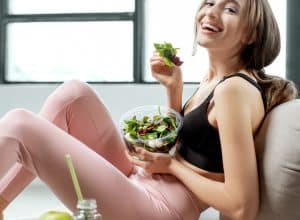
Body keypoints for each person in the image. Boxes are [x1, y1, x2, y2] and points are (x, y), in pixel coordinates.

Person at [0, 0, 298, 219]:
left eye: (230, 9)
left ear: (252, 34)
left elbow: (241, 205)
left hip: (160, 208)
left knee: (19, 124)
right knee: (73, 95)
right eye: (209, 2)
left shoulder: (234, 90)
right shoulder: (213, 81)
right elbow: (192, 148)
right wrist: (174, 89)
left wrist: (171, 167)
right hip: (145, 180)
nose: (211, 11)